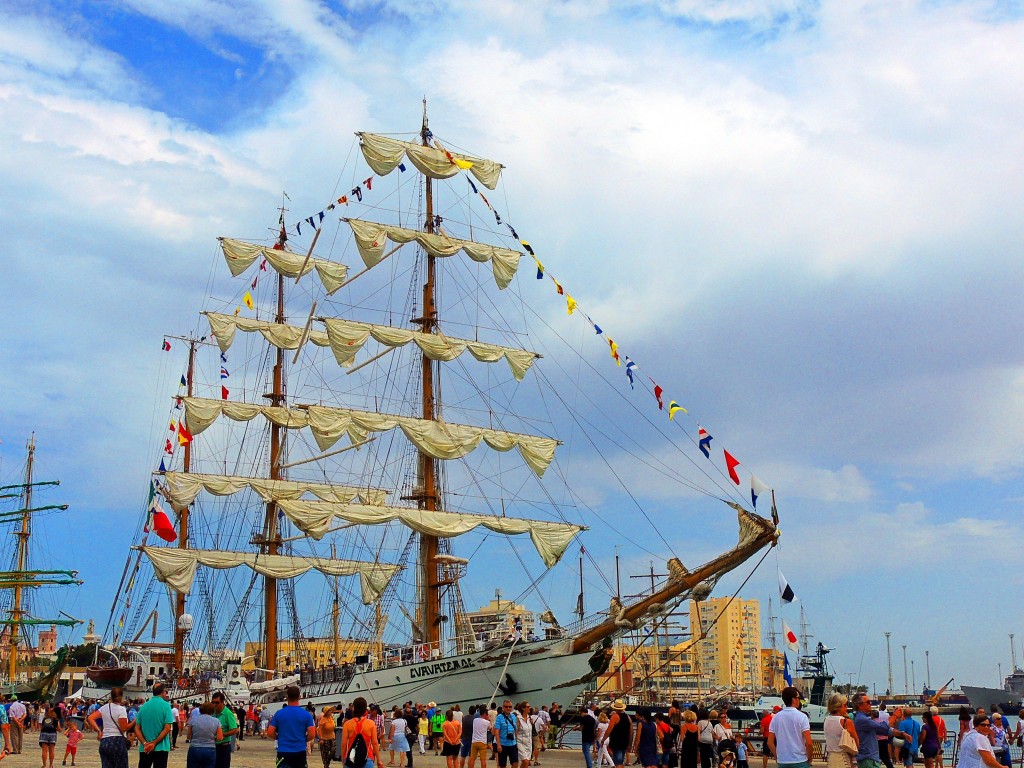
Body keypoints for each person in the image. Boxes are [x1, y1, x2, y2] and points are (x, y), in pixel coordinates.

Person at [267, 685, 317, 768]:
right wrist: (303, 739)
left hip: (283, 751)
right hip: (300, 751)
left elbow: (270, 732)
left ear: (286, 697)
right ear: (299, 697)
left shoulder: (279, 713)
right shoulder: (306, 715)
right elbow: (312, 734)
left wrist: (279, 737)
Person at [852, 693, 905, 768]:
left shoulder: (864, 718)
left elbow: (882, 730)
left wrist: (902, 734)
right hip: (868, 759)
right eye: (867, 702)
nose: (870, 703)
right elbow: (883, 727)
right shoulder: (863, 719)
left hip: (870, 758)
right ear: (859, 705)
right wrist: (895, 716)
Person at [767, 687, 812, 768]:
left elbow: (769, 742)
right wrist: (809, 758)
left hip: (783, 760)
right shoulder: (802, 717)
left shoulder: (776, 717)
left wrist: (777, 756)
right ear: (793, 700)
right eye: (798, 698)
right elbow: (809, 743)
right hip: (799, 760)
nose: (799, 700)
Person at [134, 683, 175, 768]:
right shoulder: (166, 706)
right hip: (161, 747)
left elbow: (137, 728)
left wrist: (145, 743)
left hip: (145, 748)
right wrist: (154, 743)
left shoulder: (143, 707)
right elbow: (167, 728)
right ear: (163, 692)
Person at [339, 697, 380, 768]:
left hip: (351, 758)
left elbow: (344, 744)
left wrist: (343, 759)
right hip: (367, 757)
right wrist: (379, 760)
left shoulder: (347, 724)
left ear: (354, 708)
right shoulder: (371, 723)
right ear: (365, 710)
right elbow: (375, 743)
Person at [824, 693, 858, 768]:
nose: (846, 707)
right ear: (838, 707)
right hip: (844, 758)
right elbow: (856, 741)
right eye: (845, 705)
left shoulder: (826, 720)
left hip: (831, 758)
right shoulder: (845, 721)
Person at [185, 702, 223, 768]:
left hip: (195, 748)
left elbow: (188, 736)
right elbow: (220, 738)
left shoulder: (193, 720)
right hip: (210, 749)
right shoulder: (216, 721)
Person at [599, 700, 632, 768]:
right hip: (625, 742)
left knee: (617, 762)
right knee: (621, 761)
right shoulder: (628, 717)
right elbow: (631, 731)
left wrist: (603, 740)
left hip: (616, 742)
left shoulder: (615, 716)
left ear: (615, 708)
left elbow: (609, 730)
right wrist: (630, 743)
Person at [211, 693, 239, 768]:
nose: (214, 704)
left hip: (223, 747)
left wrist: (222, 735)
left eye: (217, 702)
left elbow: (235, 730)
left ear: (222, 702)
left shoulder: (228, 714)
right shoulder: (213, 713)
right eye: (213, 702)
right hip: (213, 746)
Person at [493, 701, 519, 768]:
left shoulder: (513, 716)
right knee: (502, 765)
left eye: (510, 707)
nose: (508, 708)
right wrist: (498, 744)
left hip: (513, 743)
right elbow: (497, 732)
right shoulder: (499, 717)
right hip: (503, 744)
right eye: (506, 706)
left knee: (515, 763)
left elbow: (515, 730)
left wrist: (517, 741)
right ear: (503, 707)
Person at [514, 703, 532, 768]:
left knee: (526, 763)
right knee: (525, 761)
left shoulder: (529, 718)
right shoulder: (518, 719)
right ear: (523, 708)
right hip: (520, 743)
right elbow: (515, 732)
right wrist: (514, 743)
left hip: (528, 744)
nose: (530, 707)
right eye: (528, 707)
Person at [580, 703, 597, 768]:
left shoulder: (583, 719)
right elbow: (594, 728)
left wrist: (576, 728)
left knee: (586, 752)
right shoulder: (592, 719)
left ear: (582, 713)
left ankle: (589, 765)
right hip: (591, 736)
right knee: (587, 750)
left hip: (585, 737)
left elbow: (581, 728)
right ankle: (589, 765)